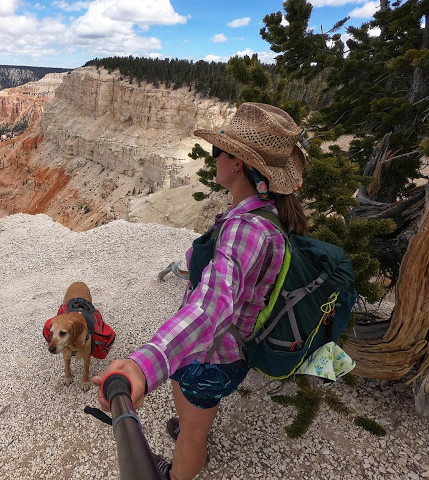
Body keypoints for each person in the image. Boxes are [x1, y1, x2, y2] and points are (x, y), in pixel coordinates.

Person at [92, 102, 309, 480]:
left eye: (218, 151)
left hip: (213, 354)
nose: (214, 160)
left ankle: (180, 467)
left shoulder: (247, 229)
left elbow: (212, 306)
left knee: (193, 433)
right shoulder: (261, 210)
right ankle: (192, 432)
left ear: (237, 163)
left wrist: (147, 365)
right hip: (221, 349)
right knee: (193, 415)